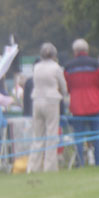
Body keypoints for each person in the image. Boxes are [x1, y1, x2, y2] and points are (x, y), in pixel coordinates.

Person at [26, 43, 68, 173]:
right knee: (51, 135)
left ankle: (33, 167)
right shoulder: (56, 68)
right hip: (51, 101)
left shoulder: (36, 67)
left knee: (37, 136)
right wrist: (62, 93)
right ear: (54, 55)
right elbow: (64, 87)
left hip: (37, 100)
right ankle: (49, 167)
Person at [64, 38, 99, 166]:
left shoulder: (68, 67)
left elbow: (68, 86)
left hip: (77, 105)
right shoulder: (95, 64)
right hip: (94, 103)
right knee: (97, 135)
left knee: (79, 137)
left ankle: (80, 162)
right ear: (86, 50)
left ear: (75, 51)